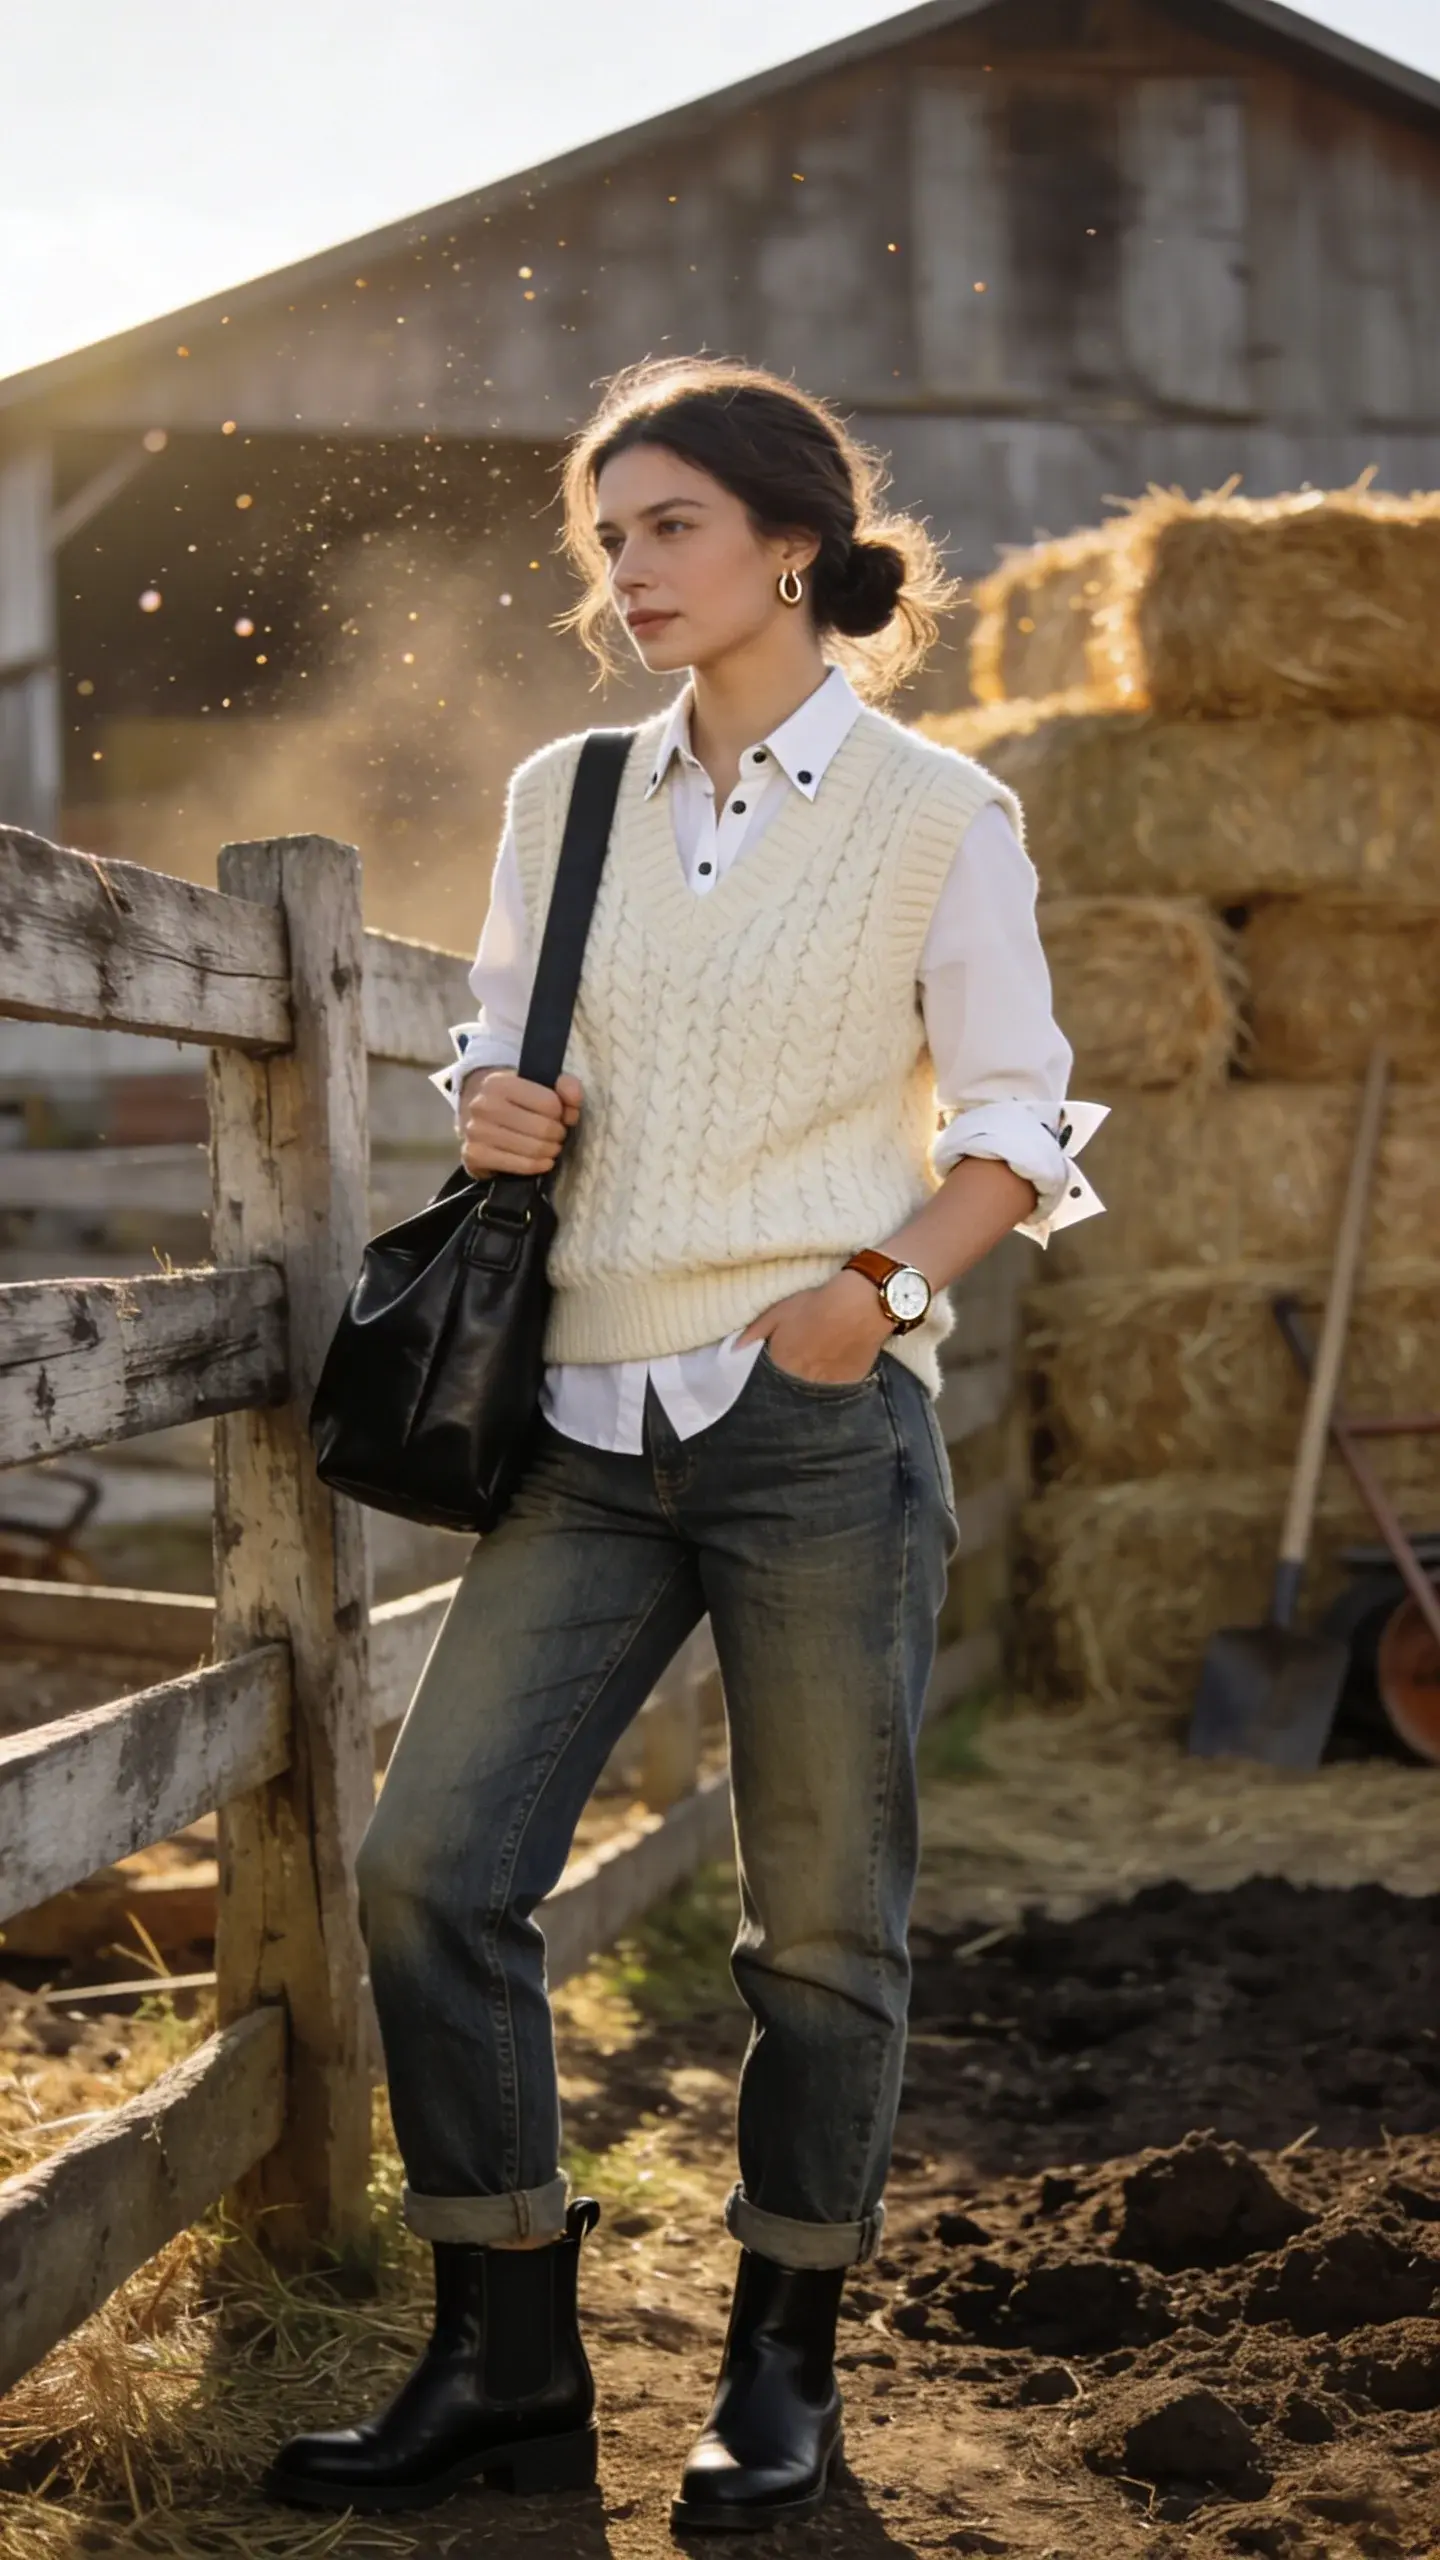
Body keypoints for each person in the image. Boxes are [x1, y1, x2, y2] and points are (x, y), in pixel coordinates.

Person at [264, 355, 1105, 2530]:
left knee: (824, 1930)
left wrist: (880, 1296)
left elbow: (1015, 1118)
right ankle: (505, 2347)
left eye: (663, 528)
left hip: (818, 1424)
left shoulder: (943, 810)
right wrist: (497, 1105)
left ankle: (780, 2371)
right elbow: (511, 1024)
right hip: (577, 1419)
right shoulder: (563, 793)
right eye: (605, 537)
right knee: (430, 1868)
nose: (624, 571)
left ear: (789, 542)